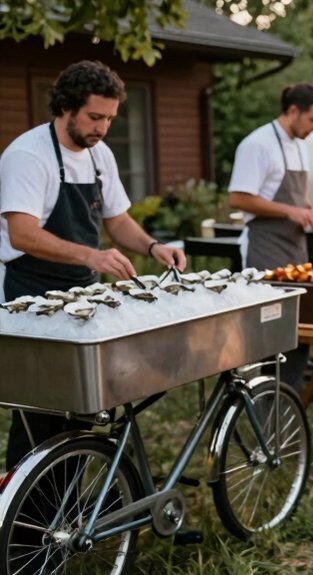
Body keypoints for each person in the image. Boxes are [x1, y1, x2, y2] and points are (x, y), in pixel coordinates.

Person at [0, 60, 186, 469]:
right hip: (33, 295)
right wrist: (92, 255)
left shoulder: (99, 154)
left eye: (110, 118)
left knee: (85, 407)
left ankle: (70, 499)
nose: (103, 128)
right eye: (95, 117)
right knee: (40, 411)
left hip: (84, 293)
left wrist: (153, 246)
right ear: (66, 106)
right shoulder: (28, 155)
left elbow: (117, 220)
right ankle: (25, 504)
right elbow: (22, 234)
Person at [228, 82, 313, 390]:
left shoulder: (300, 145)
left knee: (297, 329)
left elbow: (293, 195)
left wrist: (307, 209)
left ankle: (289, 397)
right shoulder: (257, 145)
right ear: (293, 110)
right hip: (265, 248)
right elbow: (238, 198)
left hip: (295, 249)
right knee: (269, 331)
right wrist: (290, 211)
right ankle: (261, 397)